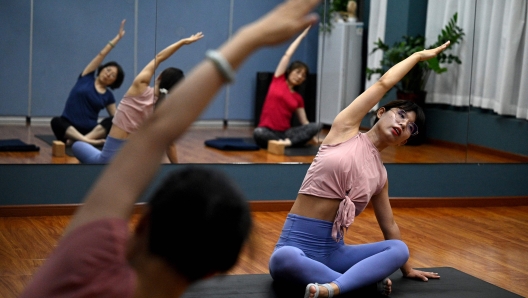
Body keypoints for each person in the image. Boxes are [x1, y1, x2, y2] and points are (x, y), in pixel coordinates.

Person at [19, 0, 322, 297]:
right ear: (211, 274)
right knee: (96, 139)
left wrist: (248, 38)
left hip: (109, 155)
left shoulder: (84, 263)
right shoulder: (147, 100)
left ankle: (79, 141)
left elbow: (156, 133)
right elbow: (160, 137)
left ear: (143, 225)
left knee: (81, 148)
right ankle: (84, 139)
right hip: (117, 147)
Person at [268, 41, 452, 298]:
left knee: (398, 249)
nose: (403, 124)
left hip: (333, 253)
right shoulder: (344, 129)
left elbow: (389, 225)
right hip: (296, 247)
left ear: (405, 141)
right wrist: (418, 56)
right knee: (283, 259)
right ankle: (358, 285)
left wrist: (407, 269)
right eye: (400, 115)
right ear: (381, 112)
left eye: (410, 126)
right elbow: (383, 84)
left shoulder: (380, 176)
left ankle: (334, 287)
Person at [71, 32, 204, 164]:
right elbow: (170, 145)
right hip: (132, 162)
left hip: (108, 162)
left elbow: (159, 57)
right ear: (172, 91)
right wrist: (176, 167)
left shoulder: (139, 86)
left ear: (159, 77)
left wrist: (182, 42)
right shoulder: (164, 111)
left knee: (77, 146)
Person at [51, 20, 126, 146]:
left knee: (112, 121)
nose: (108, 74)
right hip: (69, 128)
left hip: (90, 130)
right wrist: (117, 39)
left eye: (113, 75)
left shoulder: (108, 96)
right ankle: (86, 141)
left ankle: (82, 140)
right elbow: (101, 55)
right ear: (102, 69)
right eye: (108, 70)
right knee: (56, 121)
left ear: (114, 81)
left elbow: (117, 119)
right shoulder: (86, 77)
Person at [253, 26, 322, 150]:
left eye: (303, 75)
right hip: (267, 131)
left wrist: (313, 136)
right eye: (297, 72)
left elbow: (305, 122)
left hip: (286, 133)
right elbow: (287, 55)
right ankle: (285, 143)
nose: (299, 76)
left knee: (316, 125)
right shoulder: (278, 80)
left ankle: (287, 143)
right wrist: (301, 36)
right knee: (258, 133)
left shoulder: (298, 98)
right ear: (289, 71)